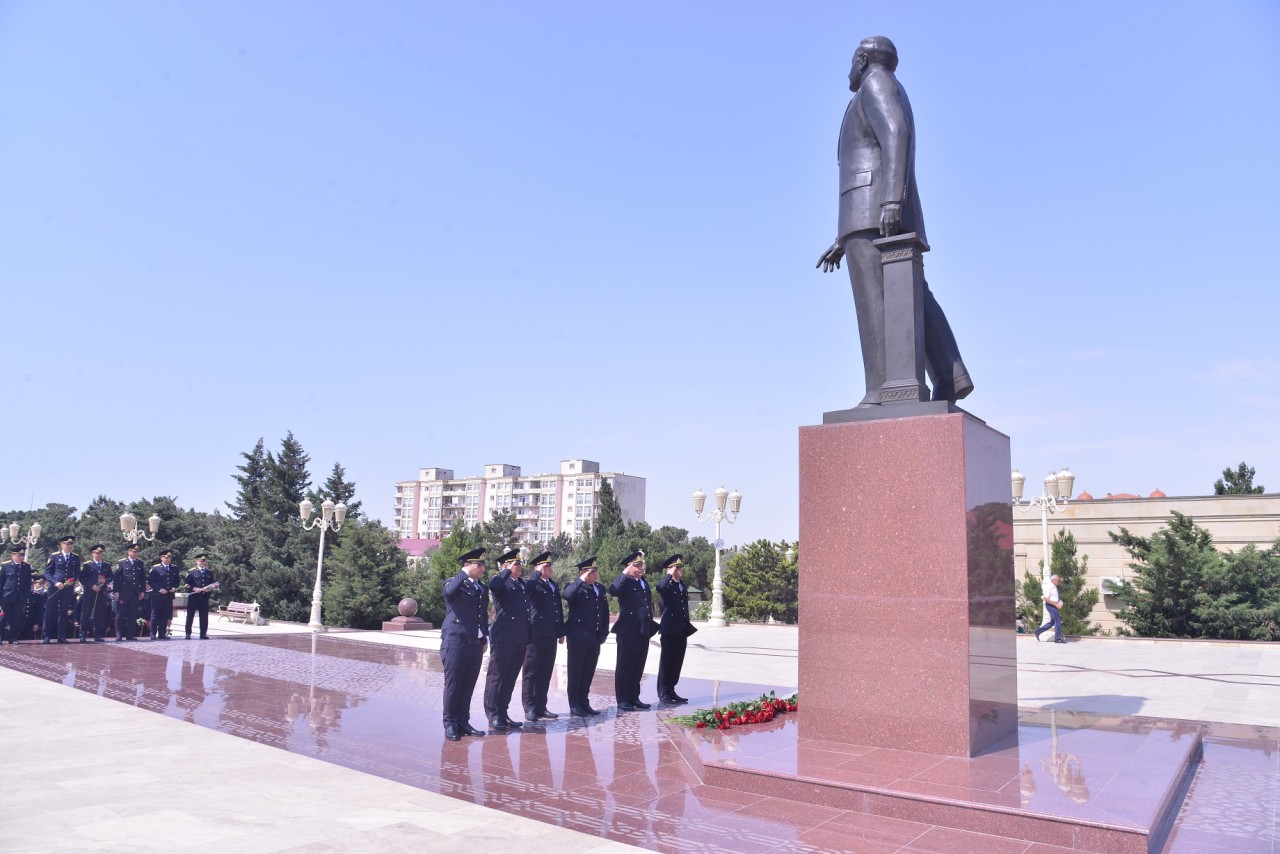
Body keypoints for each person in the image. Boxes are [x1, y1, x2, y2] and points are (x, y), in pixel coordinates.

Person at [816, 35, 972, 406]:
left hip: (873, 209)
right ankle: (951, 376)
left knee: (873, 301)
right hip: (872, 211)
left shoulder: (876, 83)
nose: (850, 69)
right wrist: (842, 238)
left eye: (852, 61)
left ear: (861, 59)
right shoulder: (885, 86)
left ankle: (880, 390)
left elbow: (895, 133)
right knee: (913, 295)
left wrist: (889, 201)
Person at [440, 547, 489, 742]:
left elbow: (482, 615)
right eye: (479, 564)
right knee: (454, 684)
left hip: (474, 642)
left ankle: (463, 722)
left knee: (468, 684)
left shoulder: (481, 588)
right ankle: (450, 723)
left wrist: (484, 637)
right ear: (468, 565)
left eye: (483, 564)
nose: (483, 568)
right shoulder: (454, 583)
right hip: (455, 640)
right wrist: (464, 573)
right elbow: (449, 593)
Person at [483, 549, 531, 732]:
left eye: (519, 564)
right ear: (505, 566)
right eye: (516, 564)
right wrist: (506, 571)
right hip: (503, 637)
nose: (519, 567)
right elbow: (494, 586)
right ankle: (493, 714)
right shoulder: (500, 581)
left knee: (510, 677)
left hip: (519, 636)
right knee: (497, 676)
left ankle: (503, 712)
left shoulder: (520, 584)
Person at [609, 550, 657, 711]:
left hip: (643, 630)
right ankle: (622, 699)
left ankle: (634, 697)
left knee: (638, 666)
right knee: (625, 666)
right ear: (629, 567)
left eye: (641, 565)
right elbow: (614, 590)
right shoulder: (625, 581)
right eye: (637, 565)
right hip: (628, 630)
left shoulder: (642, 582)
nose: (641, 568)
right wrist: (624, 573)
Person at [562, 557, 609, 717]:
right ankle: (574, 704)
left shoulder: (600, 588)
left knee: (588, 671)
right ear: (583, 573)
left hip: (594, 637)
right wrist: (581, 579)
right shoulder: (574, 587)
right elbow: (568, 595)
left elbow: (604, 612)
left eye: (595, 571)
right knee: (576, 671)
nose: (595, 574)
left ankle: (584, 701)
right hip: (577, 637)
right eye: (591, 572)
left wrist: (603, 632)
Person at [521, 551, 564, 722]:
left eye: (550, 565)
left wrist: (560, 631)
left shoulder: (553, 585)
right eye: (546, 566)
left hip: (551, 633)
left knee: (545, 672)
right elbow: (527, 589)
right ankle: (529, 707)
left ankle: (541, 706)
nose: (550, 568)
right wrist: (536, 573)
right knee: (531, 672)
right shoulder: (533, 583)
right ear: (538, 568)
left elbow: (558, 609)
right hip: (535, 634)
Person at [655, 554, 697, 704]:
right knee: (666, 662)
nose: (680, 570)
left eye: (681, 567)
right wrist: (668, 575)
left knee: (677, 661)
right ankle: (663, 692)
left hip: (681, 628)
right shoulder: (667, 584)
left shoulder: (681, 585)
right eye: (677, 568)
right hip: (669, 628)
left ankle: (671, 690)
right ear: (670, 569)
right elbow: (659, 587)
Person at [43, 535, 81, 644]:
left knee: (64, 613)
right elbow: (47, 573)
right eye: (66, 544)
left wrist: (73, 580)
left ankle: (62, 636)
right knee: (50, 612)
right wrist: (55, 582)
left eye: (70, 544)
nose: (68, 546)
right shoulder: (54, 556)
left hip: (67, 588)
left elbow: (77, 573)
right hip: (55, 588)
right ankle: (47, 636)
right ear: (61, 545)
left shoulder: (75, 557)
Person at [76, 544, 112, 643]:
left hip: (101, 593)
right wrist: (91, 586)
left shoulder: (107, 565)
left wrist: (105, 580)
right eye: (97, 553)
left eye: (101, 553)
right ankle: (83, 635)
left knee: (99, 615)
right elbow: (82, 578)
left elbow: (111, 577)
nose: (99, 555)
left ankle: (97, 635)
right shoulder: (87, 565)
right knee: (86, 614)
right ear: (93, 554)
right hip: (89, 592)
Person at [114, 544, 147, 641]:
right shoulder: (122, 562)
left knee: (132, 614)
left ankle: (130, 634)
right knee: (120, 615)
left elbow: (142, 578)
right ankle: (119, 635)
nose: (136, 553)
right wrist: (116, 592)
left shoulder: (140, 563)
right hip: (123, 593)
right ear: (128, 552)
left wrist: (142, 591)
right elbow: (116, 578)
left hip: (135, 593)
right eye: (134, 551)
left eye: (137, 551)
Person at [0, 545, 33, 645]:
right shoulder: (5, 565)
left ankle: (13, 637)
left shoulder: (26, 566)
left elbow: (28, 583)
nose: (21, 557)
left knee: (16, 618)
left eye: (22, 555)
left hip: (20, 596)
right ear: (13, 555)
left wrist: (26, 595)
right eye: (19, 555)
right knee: (3, 617)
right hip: (6, 596)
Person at [147, 549, 179, 640]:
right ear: (161, 558)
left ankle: (162, 634)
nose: (168, 559)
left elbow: (177, 580)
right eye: (166, 557)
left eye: (169, 557)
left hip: (168, 595)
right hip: (158, 595)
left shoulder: (174, 568)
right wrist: (160, 589)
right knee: (155, 615)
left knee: (165, 615)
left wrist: (174, 587)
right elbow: (151, 581)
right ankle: (153, 634)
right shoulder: (155, 568)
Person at [184, 553, 217, 639]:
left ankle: (203, 633)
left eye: (204, 561)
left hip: (204, 597)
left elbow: (213, 584)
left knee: (204, 616)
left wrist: (209, 589)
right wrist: (194, 588)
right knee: (190, 615)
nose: (202, 563)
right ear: (196, 561)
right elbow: (186, 584)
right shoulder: (191, 571)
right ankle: (188, 633)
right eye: (200, 561)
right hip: (194, 597)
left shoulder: (209, 572)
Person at [1034, 574, 1067, 644]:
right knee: (1057, 621)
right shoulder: (1049, 586)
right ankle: (1058, 638)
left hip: (1054, 605)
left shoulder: (1054, 586)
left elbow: (1053, 597)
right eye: (1058, 580)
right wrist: (1055, 604)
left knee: (1052, 622)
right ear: (1053, 580)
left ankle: (1038, 631)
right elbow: (1046, 598)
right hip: (1051, 606)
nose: (1059, 581)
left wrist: (1059, 602)